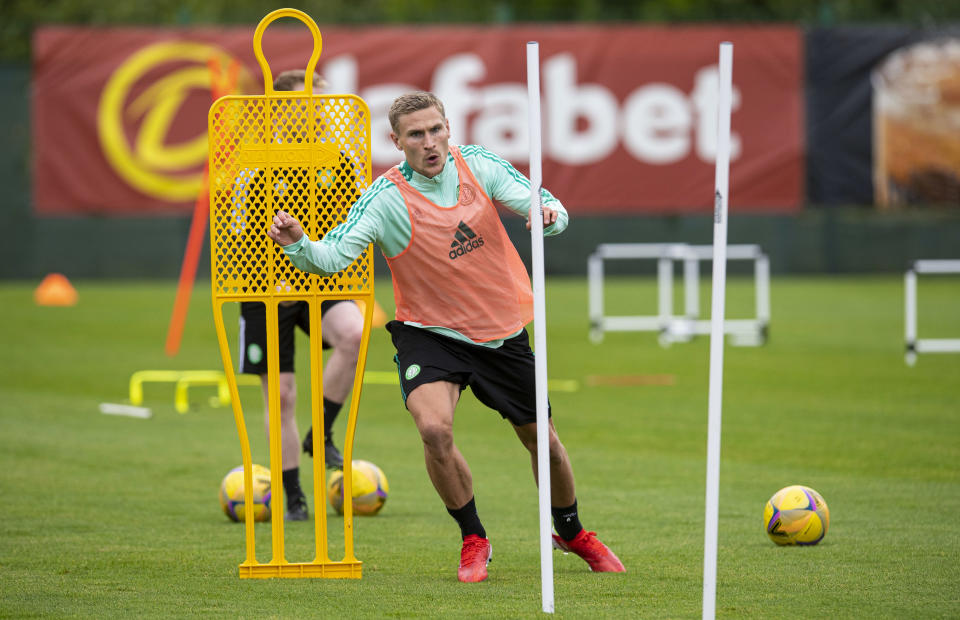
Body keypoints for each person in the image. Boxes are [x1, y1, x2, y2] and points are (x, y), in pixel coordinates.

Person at [266, 91, 624, 581]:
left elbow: (545, 205)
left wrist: (548, 216)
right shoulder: (384, 198)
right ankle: (474, 537)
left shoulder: (478, 164)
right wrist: (298, 243)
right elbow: (331, 259)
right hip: (429, 334)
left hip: (500, 331)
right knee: (434, 429)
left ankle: (571, 530)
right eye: (416, 134)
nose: (429, 141)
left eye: (436, 129)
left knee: (545, 443)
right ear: (396, 141)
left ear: (448, 128)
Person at [238, 69, 365, 522]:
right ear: (279, 111)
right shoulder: (256, 162)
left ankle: (322, 433)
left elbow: (353, 223)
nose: (316, 112)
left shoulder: (339, 160)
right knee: (283, 394)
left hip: (318, 274)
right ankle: (292, 495)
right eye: (303, 103)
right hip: (263, 284)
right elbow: (240, 237)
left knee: (354, 333)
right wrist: (277, 281)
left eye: (322, 103)